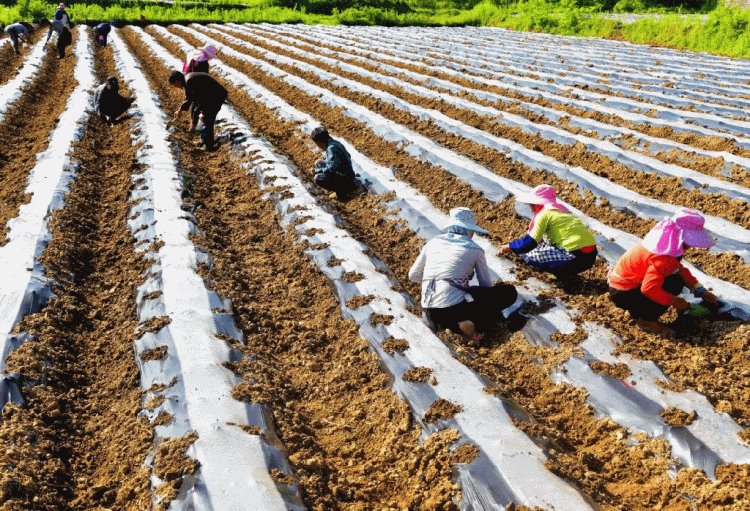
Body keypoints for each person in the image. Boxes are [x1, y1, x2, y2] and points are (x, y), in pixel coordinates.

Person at [409, 207, 518, 342]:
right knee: (508, 292)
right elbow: (485, 285)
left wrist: (435, 282)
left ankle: (449, 326)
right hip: (455, 310)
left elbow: (413, 275)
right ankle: (472, 327)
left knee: (463, 296)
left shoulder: (432, 243)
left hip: (428, 310)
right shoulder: (475, 249)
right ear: (469, 230)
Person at [608, 209, 720, 335]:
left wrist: (699, 289)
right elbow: (649, 288)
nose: (691, 246)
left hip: (622, 287)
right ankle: (646, 321)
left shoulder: (662, 247)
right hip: (624, 293)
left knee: (675, 279)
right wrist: (674, 301)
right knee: (674, 284)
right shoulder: (663, 258)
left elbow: (678, 268)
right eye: (690, 242)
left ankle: (638, 310)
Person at [498, 184, 597, 280]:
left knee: (527, 255)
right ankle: (562, 274)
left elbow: (529, 243)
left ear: (537, 204)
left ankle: (561, 273)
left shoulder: (544, 214)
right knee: (544, 242)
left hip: (574, 259)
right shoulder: (563, 212)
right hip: (590, 258)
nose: (531, 209)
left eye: (532, 205)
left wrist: (510, 246)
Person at [169, 70, 227, 151]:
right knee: (206, 118)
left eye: (174, 84)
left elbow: (200, 99)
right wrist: (180, 110)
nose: (176, 87)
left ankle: (208, 146)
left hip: (216, 96)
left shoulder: (189, 81)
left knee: (208, 119)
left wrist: (203, 113)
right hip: (210, 95)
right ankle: (203, 141)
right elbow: (190, 99)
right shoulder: (186, 80)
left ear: (177, 80)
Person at [310, 126, 356, 200]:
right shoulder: (334, 143)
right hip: (347, 173)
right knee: (319, 163)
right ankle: (342, 187)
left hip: (346, 178)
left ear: (319, 142)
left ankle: (342, 192)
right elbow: (347, 156)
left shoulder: (331, 148)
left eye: (317, 144)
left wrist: (317, 171)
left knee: (318, 178)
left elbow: (331, 169)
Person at [181, 45, 217, 134]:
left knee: (193, 103)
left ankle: (192, 124)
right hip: (199, 85)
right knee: (198, 105)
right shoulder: (204, 63)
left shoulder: (195, 58)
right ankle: (195, 126)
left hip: (190, 82)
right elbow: (204, 76)